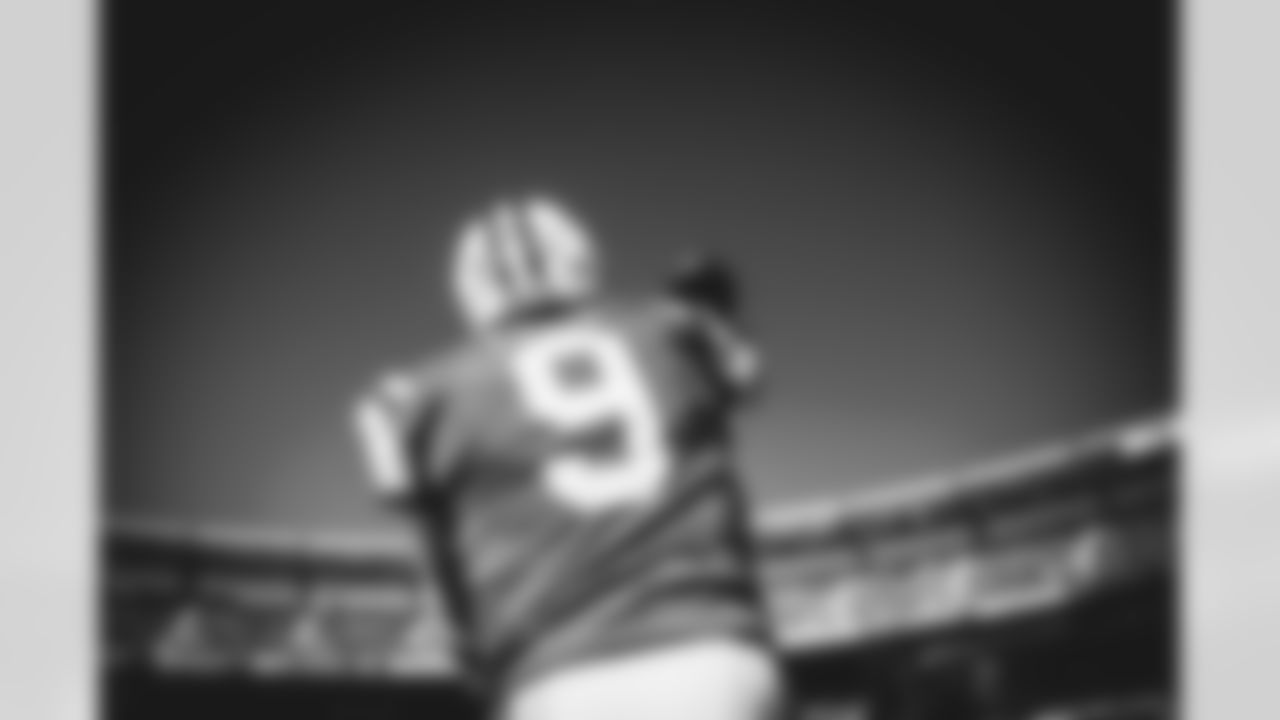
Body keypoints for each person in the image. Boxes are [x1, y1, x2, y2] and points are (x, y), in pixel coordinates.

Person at [351, 195, 788, 720]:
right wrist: (717, 318)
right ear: (580, 259)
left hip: (559, 672)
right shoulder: (672, 325)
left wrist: (473, 655)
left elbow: (436, 564)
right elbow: (745, 374)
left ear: (469, 285)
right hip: (716, 651)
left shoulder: (410, 398)